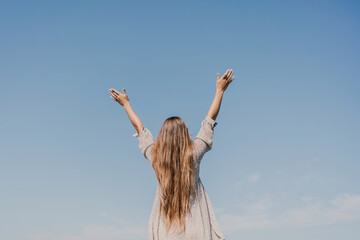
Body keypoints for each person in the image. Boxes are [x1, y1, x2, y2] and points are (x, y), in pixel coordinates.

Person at [109, 69, 235, 240]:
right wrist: (220, 91)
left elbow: (141, 129)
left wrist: (126, 104)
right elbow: (209, 121)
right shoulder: (193, 155)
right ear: (184, 135)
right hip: (196, 232)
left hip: (166, 233)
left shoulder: (156, 159)